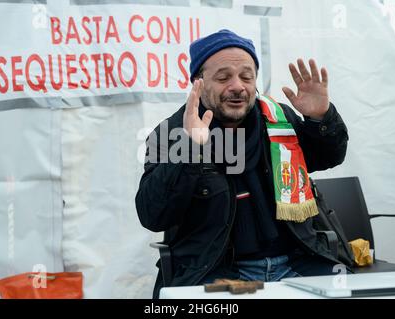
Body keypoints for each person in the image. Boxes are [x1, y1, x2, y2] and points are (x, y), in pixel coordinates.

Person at [135, 29, 349, 298]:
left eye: (247, 77)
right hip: (222, 273)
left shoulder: (279, 118)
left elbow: (328, 157)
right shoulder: (172, 133)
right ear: (198, 83)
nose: (238, 86)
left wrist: (320, 119)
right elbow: (153, 215)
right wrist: (191, 147)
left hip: (297, 263)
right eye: (224, 77)